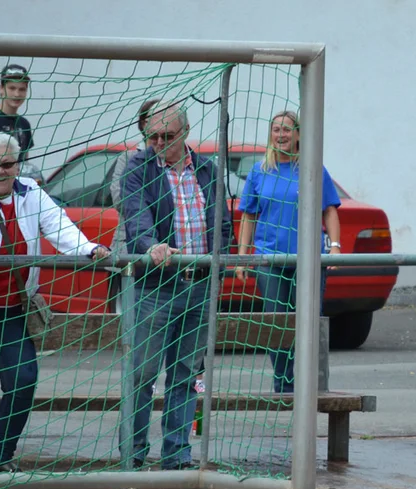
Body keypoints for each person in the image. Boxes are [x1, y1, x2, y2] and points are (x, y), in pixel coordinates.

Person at [0, 132, 109, 474]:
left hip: (9, 308)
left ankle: (2, 456)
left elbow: (60, 227)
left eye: (7, 164)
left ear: (18, 164)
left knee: (24, 377)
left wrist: (89, 249)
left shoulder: (31, 191)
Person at [121, 104, 231, 470]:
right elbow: (136, 217)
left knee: (186, 373)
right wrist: (151, 245)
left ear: (184, 132)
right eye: (151, 137)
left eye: (166, 137)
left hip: (199, 286)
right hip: (156, 286)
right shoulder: (138, 169)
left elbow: (222, 223)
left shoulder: (207, 169)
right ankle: (133, 455)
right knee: (143, 374)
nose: (157, 144)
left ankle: (177, 455)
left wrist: (220, 265)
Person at [234, 110, 342, 393]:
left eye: (286, 130)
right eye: (276, 129)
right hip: (269, 259)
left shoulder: (312, 168)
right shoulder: (259, 171)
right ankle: (283, 383)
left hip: (307, 260)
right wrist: (243, 256)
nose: (281, 135)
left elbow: (329, 210)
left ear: (298, 135)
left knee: (308, 324)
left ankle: (310, 384)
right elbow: (248, 215)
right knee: (276, 324)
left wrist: (335, 247)